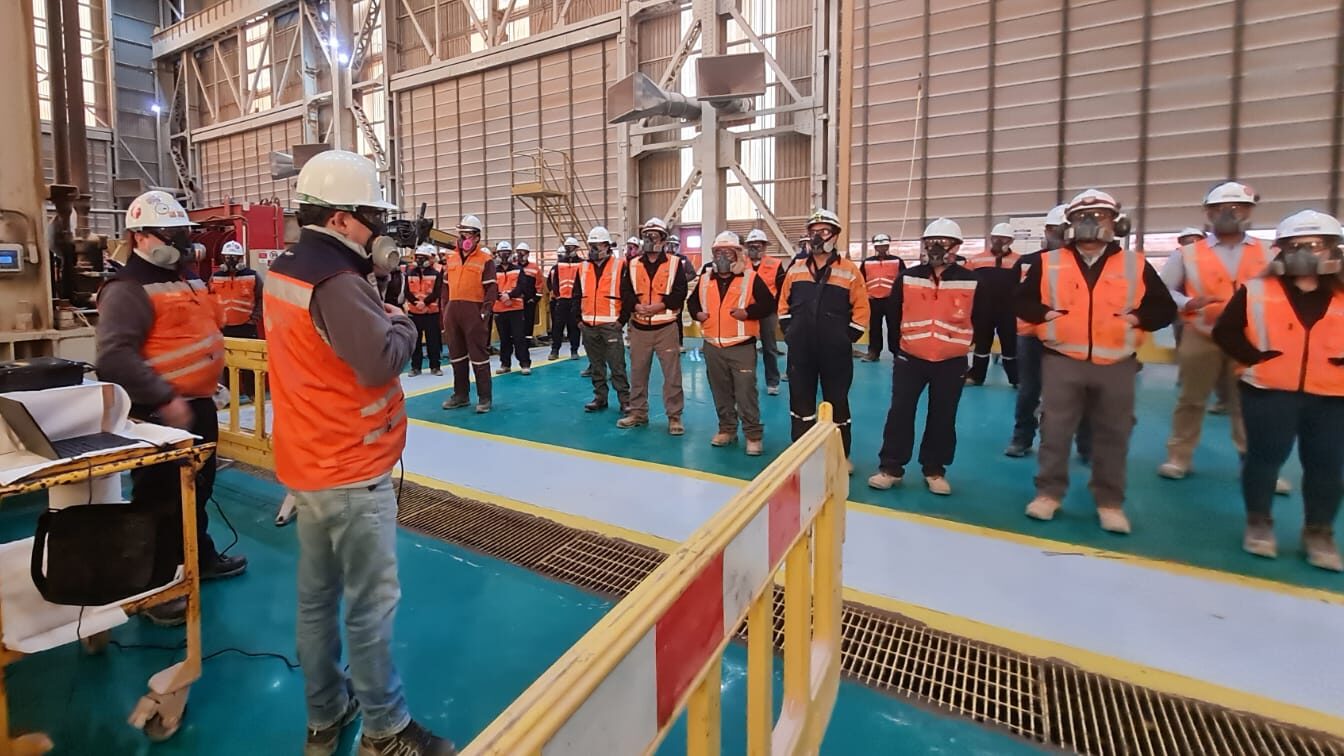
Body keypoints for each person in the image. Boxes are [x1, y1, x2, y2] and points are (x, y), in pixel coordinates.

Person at [263, 150, 454, 755]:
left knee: (316, 601)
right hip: (351, 466)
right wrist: (401, 323)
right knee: (370, 607)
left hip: (309, 460)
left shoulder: (288, 267)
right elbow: (378, 362)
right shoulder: (339, 282)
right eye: (372, 216)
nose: (380, 229)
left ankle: (326, 712)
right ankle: (385, 731)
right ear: (341, 218)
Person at [95, 190, 248, 627]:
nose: (181, 241)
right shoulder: (127, 289)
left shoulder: (186, 278)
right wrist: (164, 396)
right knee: (158, 500)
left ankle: (199, 558)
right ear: (139, 236)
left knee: (197, 490)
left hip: (197, 406)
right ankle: (155, 588)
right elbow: (114, 357)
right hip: (160, 414)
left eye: (183, 233)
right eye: (170, 233)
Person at [1016, 189, 1176, 533]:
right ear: (1069, 224)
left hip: (1117, 362)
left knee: (1114, 433)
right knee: (1054, 430)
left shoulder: (1134, 264)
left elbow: (1164, 308)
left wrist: (1137, 319)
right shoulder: (1048, 262)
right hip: (1062, 359)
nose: (1090, 223)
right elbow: (1021, 301)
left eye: (1100, 216)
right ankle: (1048, 494)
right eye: (1081, 217)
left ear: (1116, 223)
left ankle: (1109, 502)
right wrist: (1046, 316)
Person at [1212, 210, 1344, 572]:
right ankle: (1259, 522)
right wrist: (1254, 359)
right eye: (1295, 246)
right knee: (1264, 459)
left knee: (1326, 466)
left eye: (1315, 245)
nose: (1305, 253)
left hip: (1332, 396)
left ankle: (1319, 532)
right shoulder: (1256, 291)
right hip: (1268, 392)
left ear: (1333, 248)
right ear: (1281, 250)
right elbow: (1225, 331)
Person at [1158, 182, 1287, 492]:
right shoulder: (1188, 254)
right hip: (1202, 335)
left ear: (1250, 212)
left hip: (1250, 338)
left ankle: (1257, 466)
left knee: (1251, 403)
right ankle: (1179, 458)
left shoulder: (1270, 252)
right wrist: (1188, 303)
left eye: (1238, 208)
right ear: (1209, 214)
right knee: (1191, 399)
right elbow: (1164, 290)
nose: (1230, 214)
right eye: (1220, 209)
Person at [868, 219, 977, 495]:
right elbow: (894, 314)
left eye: (943, 242)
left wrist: (964, 346)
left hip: (951, 361)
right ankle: (891, 468)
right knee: (900, 413)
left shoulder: (971, 280)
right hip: (911, 359)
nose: (935, 247)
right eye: (930, 242)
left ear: (956, 247)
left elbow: (981, 317)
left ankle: (935, 470)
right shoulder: (908, 277)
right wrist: (900, 350)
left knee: (943, 416)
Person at [778, 209, 869, 468]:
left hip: (835, 351)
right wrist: (790, 331)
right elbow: (783, 303)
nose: (817, 237)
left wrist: (846, 338)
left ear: (835, 235)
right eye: (813, 232)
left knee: (837, 401)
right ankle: (802, 454)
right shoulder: (796, 268)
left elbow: (862, 308)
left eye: (824, 231)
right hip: (801, 349)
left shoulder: (849, 270)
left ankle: (841, 456)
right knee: (800, 401)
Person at [1004, 204, 1093, 459]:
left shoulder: (1086, 264)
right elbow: (1015, 297)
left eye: (1065, 229)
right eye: (1056, 229)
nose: (1060, 235)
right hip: (1032, 336)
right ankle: (1022, 438)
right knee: (1029, 390)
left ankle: (1086, 444)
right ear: (1047, 231)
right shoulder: (1028, 262)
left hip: (1073, 337)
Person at [688, 231, 776, 455]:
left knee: (746, 393)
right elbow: (692, 302)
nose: (722, 257)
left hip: (741, 346)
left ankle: (753, 435)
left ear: (738, 253)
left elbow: (768, 304)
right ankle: (727, 429)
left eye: (727, 252)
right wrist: (697, 314)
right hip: (713, 346)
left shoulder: (750, 278)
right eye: (718, 252)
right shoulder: (706, 278)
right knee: (720, 391)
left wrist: (748, 313)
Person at [619, 217, 688, 433]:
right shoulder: (632, 264)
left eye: (655, 236)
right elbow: (625, 291)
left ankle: (674, 417)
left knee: (672, 376)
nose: (650, 239)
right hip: (639, 329)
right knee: (638, 374)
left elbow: (680, 292)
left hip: (665, 328)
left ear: (663, 239)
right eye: (647, 236)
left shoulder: (674, 264)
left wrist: (660, 306)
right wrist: (635, 306)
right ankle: (638, 413)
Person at [440, 215, 497, 413]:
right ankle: (461, 395)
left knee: (479, 356)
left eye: (469, 234)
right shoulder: (451, 259)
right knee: (456, 356)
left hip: (474, 312)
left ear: (477, 237)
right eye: (462, 234)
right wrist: (444, 312)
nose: (465, 238)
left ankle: (484, 398)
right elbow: (445, 289)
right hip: (453, 311)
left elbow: (491, 289)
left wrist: (485, 312)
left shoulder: (485, 260)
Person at [577, 226, 631, 415]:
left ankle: (625, 400)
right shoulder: (583, 267)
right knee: (596, 365)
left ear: (607, 246)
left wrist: (621, 320)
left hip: (611, 325)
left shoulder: (620, 266)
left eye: (597, 245)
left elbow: (628, 296)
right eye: (591, 245)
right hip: (588, 325)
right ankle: (600, 397)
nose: (593, 249)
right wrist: (578, 320)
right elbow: (576, 295)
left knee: (617, 365)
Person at [965, 223, 1021, 386]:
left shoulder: (1019, 260)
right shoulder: (976, 260)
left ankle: (1016, 379)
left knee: (1010, 345)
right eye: (996, 238)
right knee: (981, 344)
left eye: (1004, 238)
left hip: (1009, 310)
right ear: (991, 239)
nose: (999, 241)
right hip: (983, 309)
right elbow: (966, 283)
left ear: (1011, 241)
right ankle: (976, 376)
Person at [744, 229, 783, 395]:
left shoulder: (775, 264)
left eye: (758, 245)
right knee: (746, 349)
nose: (755, 248)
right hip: (747, 312)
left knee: (769, 348)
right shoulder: (740, 263)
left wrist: (777, 309)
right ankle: (747, 383)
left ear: (764, 247)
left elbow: (782, 289)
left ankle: (773, 382)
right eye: (751, 246)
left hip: (768, 312)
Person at [859, 232, 903, 362]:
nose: (882, 248)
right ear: (875, 247)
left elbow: (903, 280)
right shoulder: (867, 262)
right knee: (874, 328)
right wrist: (865, 295)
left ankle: (897, 353)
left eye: (884, 246)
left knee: (894, 327)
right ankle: (873, 352)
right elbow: (861, 280)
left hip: (891, 301)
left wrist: (899, 297)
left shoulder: (897, 261)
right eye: (879, 246)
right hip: (873, 300)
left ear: (888, 246)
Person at [493, 244, 535, 375]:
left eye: (507, 252)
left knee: (519, 337)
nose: (504, 255)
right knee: (504, 339)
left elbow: (522, 286)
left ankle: (525, 364)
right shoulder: (493, 271)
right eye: (501, 253)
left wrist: (510, 295)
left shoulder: (518, 270)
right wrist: (501, 297)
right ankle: (505, 364)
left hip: (516, 308)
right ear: (497, 254)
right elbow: (491, 287)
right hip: (500, 308)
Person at [209, 240, 263, 339]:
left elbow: (261, 298)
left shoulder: (252, 276)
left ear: (240, 258)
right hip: (222, 327)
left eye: (234, 257)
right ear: (223, 258)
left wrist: (254, 319)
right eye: (227, 257)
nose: (230, 260)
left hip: (247, 327)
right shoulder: (215, 277)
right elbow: (208, 299)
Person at [404, 244, 444, 377]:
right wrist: (416, 303)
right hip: (414, 312)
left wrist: (425, 302)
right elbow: (406, 291)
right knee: (415, 342)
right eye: (418, 257)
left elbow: (437, 292)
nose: (420, 260)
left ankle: (435, 366)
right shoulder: (409, 273)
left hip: (430, 312)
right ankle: (416, 367)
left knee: (433, 341)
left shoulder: (435, 274)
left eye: (423, 257)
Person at [547, 240, 583, 361]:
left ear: (576, 248)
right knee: (557, 326)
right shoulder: (559, 264)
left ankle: (574, 350)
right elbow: (554, 281)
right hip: (562, 300)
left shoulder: (582, 263)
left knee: (574, 326)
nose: (568, 250)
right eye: (567, 247)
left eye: (571, 247)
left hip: (575, 300)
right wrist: (557, 295)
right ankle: (555, 350)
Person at [514, 242, 544, 348]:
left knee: (529, 321)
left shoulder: (534, 268)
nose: (521, 255)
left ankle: (527, 342)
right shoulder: (513, 267)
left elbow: (539, 284)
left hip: (529, 301)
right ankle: (517, 341)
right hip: (515, 301)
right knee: (516, 322)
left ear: (528, 254)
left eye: (523, 252)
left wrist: (535, 299)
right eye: (519, 252)